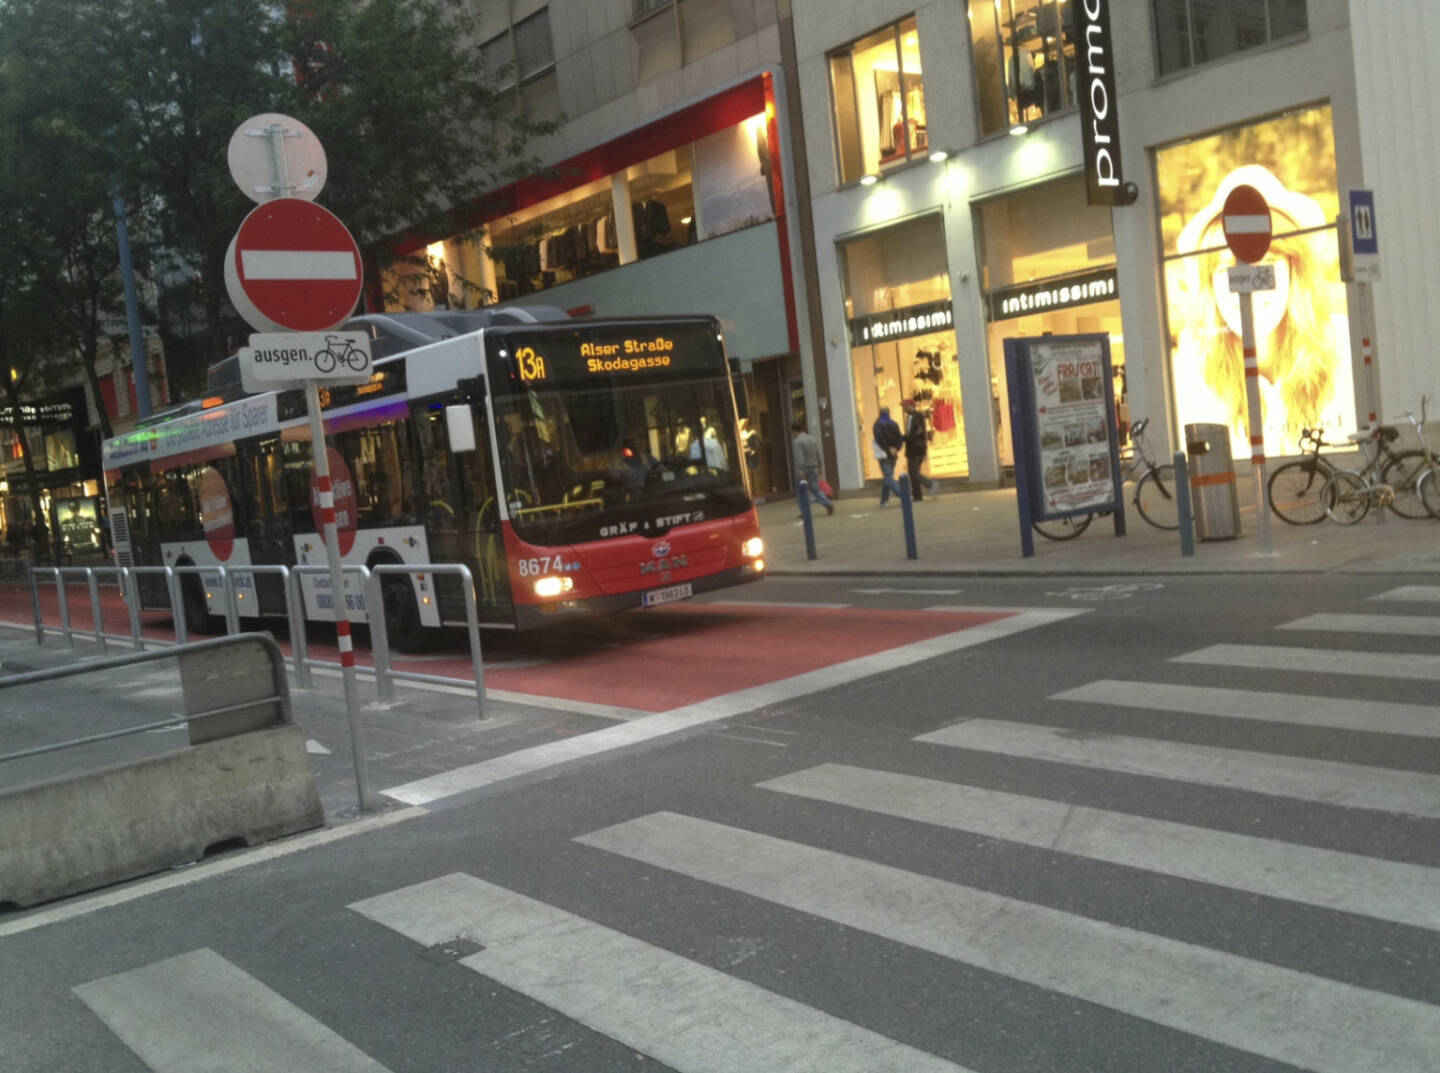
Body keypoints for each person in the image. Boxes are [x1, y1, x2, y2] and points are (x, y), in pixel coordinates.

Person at [1170, 163, 1352, 457]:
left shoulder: (1342, 350)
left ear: (1295, 270)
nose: (1250, 286)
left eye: (1266, 262)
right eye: (1229, 269)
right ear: (1210, 284)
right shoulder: (1190, 377)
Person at [790, 420, 834, 516]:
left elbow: (799, 457)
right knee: (816, 490)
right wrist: (820, 465)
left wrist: (800, 470)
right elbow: (817, 453)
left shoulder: (797, 442)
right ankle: (828, 504)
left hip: (804, 470)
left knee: (801, 492)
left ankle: (805, 512)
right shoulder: (811, 439)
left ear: (794, 431)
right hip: (813, 468)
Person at [872, 405, 905, 506]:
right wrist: (896, 448)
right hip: (893, 454)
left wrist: (888, 448)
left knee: (888, 477)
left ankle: (903, 495)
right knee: (888, 475)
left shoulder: (877, 424)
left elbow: (880, 439)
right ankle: (884, 500)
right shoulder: (894, 423)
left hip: (884, 454)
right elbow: (900, 437)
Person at [902, 400, 929, 502]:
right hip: (921, 448)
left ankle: (920, 493)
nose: (904, 408)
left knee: (913, 473)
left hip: (913, 449)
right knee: (915, 472)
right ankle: (919, 494)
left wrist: (901, 438)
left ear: (911, 406)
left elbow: (910, 435)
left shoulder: (911, 418)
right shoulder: (920, 416)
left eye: (905, 406)